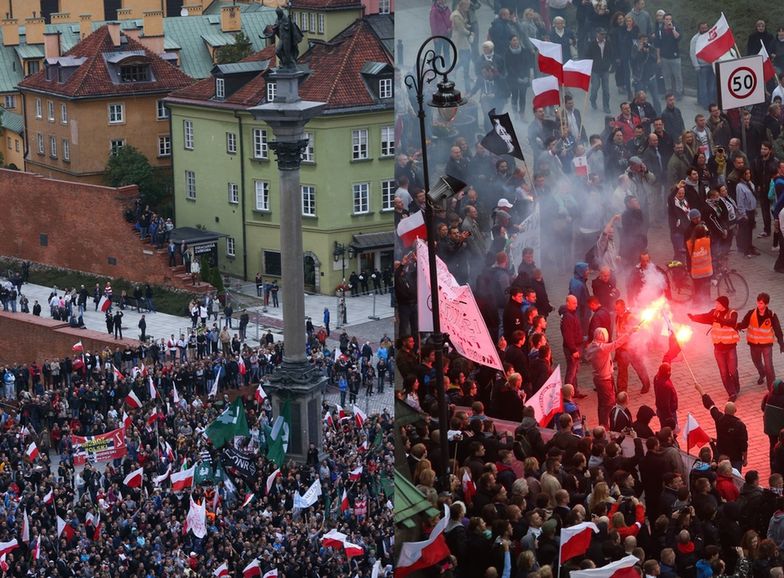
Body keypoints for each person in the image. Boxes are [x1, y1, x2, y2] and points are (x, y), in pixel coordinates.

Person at [689, 296, 740, 401]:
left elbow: (731, 322)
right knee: (724, 373)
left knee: (733, 370)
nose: (715, 306)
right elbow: (704, 317)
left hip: (730, 347)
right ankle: (732, 393)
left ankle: (736, 384)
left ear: (723, 305)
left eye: (718, 304)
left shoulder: (732, 313)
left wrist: (719, 319)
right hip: (718, 349)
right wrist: (693, 317)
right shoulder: (714, 313)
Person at [695, 382, 749, 473]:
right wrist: (745, 459)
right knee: (735, 476)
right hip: (735, 457)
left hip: (721, 455)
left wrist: (701, 390)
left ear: (724, 410)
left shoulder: (719, 418)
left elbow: (710, 405)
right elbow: (743, 444)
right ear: (735, 411)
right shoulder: (740, 426)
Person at [737, 293, 784, 390]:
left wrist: (781, 343)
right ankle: (762, 373)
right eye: (758, 303)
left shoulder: (772, 315)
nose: (759, 305)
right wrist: (736, 325)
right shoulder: (751, 313)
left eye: (761, 303)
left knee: (769, 366)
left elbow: (778, 330)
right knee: (757, 361)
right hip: (754, 344)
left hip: (767, 344)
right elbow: (744, 324)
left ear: (766, 304)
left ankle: (772, 388)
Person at [560, 295, 586, 399]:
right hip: (572, 348)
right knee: (571, 371)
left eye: (576, 303)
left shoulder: (570, 314)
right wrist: (573, 350)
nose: (576, 305)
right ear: (568, 303)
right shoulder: (568, 317)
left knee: (574, 370)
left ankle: (574, 391)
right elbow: (568, 335)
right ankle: (567, 395)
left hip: (574, 346)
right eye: (574, 303)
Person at [653, 362, 678, 431]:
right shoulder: (666, 386)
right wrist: (670, 418)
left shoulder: (657, 377)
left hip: (660, 410)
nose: (670, 373)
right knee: (670, 430)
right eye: (669, 371)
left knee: (664, 427)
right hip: (668, 413)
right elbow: (666, 404)